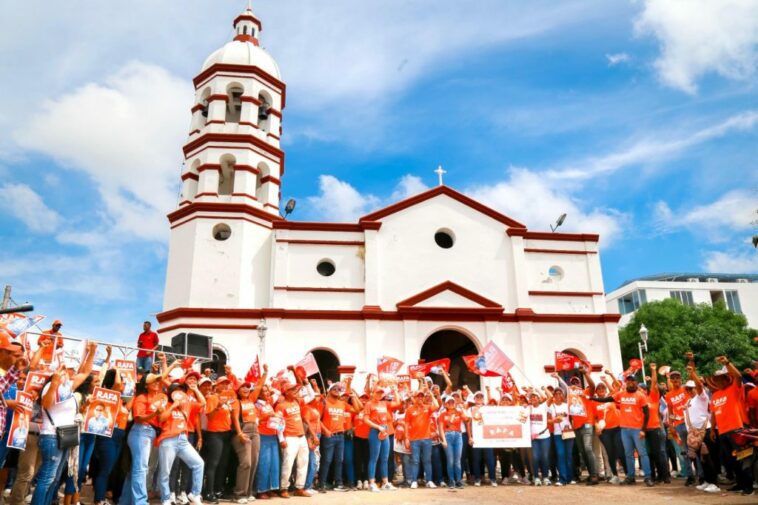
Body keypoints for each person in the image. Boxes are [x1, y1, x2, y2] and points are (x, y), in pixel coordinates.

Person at [32, 341, 97, 505]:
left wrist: (92, 351)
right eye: (69, 369)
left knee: (54, 479)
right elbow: (45, 404)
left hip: (64, 436)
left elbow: (85, 371)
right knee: (47, 478)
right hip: (52, 437)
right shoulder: (50, 386)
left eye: (73, 369)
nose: (73, 371)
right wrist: (54, 382)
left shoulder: (68, 388)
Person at [593, 372, 653, 487]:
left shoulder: (641, 395)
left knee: (642, 454)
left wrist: (643, 430)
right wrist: (591, 398)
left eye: (632, 380)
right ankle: (630, 477)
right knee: (628, 454)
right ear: (626, 382)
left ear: (636, 382)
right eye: (628, 381)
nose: (630, 382)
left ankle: (648, 477)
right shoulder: (621, 394)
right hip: (625, 430)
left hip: (637, 429)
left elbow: (646, 413)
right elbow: (607, 399)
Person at [120, 373, 167, 505]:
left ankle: (125, 501)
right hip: (141, 432)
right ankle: (140, 502)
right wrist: (155, 413)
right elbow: (138, 418)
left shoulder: (158, 397)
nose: (157, 383)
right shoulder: (141, 397)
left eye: (158, 381)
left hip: (149, 433)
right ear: (146, 385)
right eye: (153, 382)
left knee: (137, 469)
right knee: (141, 468)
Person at [709, 356, 754, 496]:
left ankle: (749, 487)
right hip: (722, 431)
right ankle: (740, 484)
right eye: (716, 379)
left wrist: (727, 363)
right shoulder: (715, 396)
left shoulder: (734, 389)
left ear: (726, 379)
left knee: (742, 458)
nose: (719, 381)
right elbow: (714, 413)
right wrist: (712, 429)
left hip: (736, 429)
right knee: (731, 461)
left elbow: (739, 375)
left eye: (721, 378)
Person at [156, 382, 205, 505]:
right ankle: (166, 499)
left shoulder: (187, 405)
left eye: (181, 391)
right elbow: (161, 418)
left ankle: (194, 494)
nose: (179, 393)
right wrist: (173, 406)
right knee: (165, 472)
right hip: (168, 439)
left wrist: (196, 389)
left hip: (183, 439)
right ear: (171, 392)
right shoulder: (166, 404)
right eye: (176, 391)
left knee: (199, 463)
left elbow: (203, 403)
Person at [231, 365, 267, 503]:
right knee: (245, 463)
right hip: (243, 431)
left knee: (254, 462)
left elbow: (258, 387)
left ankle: (248, 492)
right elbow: (234, 418)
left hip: (255, 432)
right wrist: (239, 433)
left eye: (247, 387)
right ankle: (239, 494)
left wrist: (265, 373)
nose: (246, 389)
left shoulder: (251, 399)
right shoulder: (236, 402)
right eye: (242, 387)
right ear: (238, 390)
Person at [275, 381, 310, 498]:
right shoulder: (280, 405)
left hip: (301, 436)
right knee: (288, 464)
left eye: (295, 389)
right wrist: (281, 439)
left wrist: (307, 384)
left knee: (303, 462)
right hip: (289, 437)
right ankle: (284, 488)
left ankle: (299, 487)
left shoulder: (297, 401)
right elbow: (278, 423)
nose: (295, 391)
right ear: (286, 392)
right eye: (292, 389)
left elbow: (310, 396)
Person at [363, 385, 401, 492]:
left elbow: (398, 403)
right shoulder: (369, 404)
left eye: (381, 393)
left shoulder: (384, 403)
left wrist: (395, 391)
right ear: (373, 393)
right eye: (377, 392)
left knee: (385, 458)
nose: (379, 394)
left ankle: (385, 483)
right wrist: (377, 426)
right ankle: (371, 483)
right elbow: (365, 419)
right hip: (375, 431)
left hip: (385, 431)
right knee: (374, 458)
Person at [405, 383, 439, 489]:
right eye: (418, 396)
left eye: (421, 396)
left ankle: (429, 481)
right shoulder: (410, 409)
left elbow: (437, 406)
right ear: (414, 398)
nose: (420, 398)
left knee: (427, 460)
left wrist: (432, 395)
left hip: (426, 439)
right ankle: (414, 481)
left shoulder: (427, 408)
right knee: (415, 461)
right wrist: (407, 438)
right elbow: (406, 424)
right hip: (414, 440)